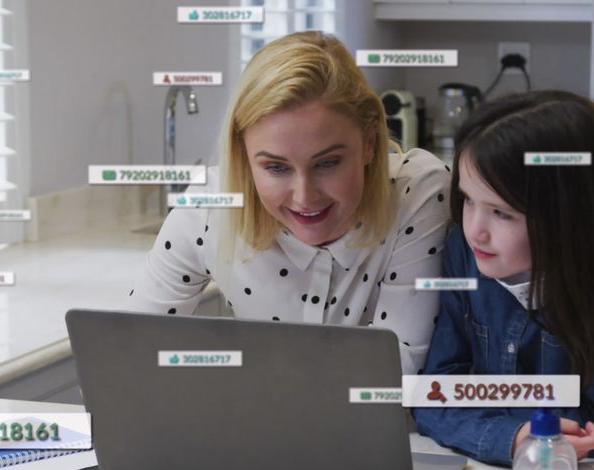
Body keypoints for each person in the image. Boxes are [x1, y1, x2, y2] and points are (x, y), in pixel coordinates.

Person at [127, 31, 451, 374]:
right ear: (244, 155)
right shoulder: (210, 205)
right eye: (276, 167)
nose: (304, 196)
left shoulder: (417, 194)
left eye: (327, 163)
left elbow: (395, 371)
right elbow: (133, 350)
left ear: (370, 142)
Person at [412, 90, 594, 466]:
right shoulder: (465, 250)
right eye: (468, 199)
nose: (475, 229)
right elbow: (433, 397)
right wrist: (515, 438)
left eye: (501, 213)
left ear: (567, 215)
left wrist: (516, 433)